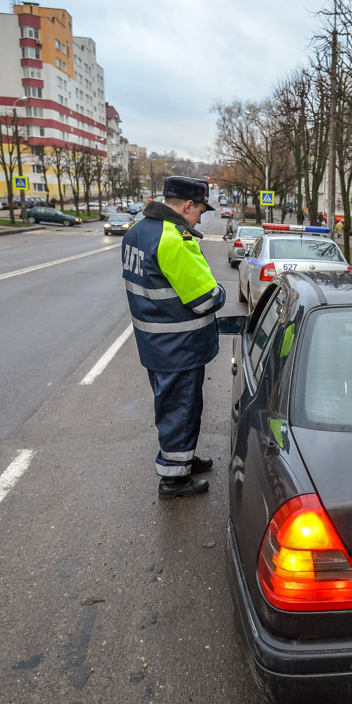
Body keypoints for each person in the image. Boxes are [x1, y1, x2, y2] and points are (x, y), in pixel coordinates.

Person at [121, 176, 225, 499]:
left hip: (155, 343)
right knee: (180, 408)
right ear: (187, 206)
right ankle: (173, 479)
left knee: (177, 406)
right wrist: (220, 291)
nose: (199, 219)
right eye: (199, 212)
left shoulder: (136, 232)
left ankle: (183, 459)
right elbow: (206, 298)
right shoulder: (173, 239)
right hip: (179, 346)